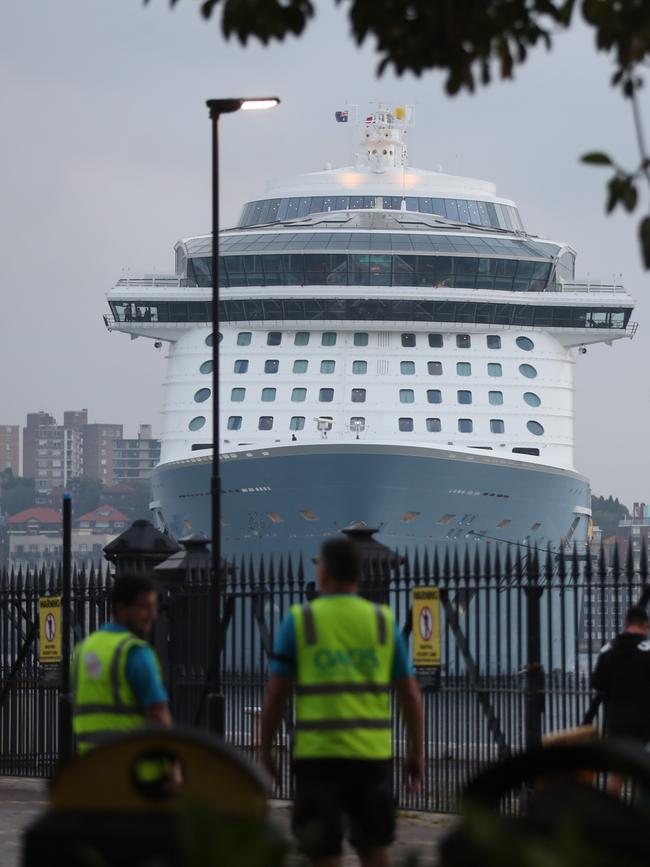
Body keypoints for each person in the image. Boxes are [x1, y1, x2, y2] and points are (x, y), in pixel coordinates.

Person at [261, 537, 424, 867]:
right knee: (374, 846)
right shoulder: (382, 622)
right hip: (372, 756)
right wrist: (415, 753)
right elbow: (409, 694)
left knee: (323, 851)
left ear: (323, 573)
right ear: (358, 576)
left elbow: (278, 694)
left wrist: (266, 749)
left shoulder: (300, 620)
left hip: (318, 756)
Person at [72, 573, 171, 754]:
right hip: (131, 767)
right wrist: (173, 766)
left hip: (90, 763)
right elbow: (158, 714)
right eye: (144, 607)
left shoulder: (83, 649)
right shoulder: (135, 652)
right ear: (121, 608)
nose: (152, 615)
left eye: (153, 607)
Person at [591, 604, 650, 794]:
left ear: (626, 624)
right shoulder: (647, 650)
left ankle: (609, 817)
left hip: (617, 721)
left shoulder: (608, 649)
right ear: (644, 626)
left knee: (617, 776)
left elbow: (598, 684)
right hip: (644, 720)